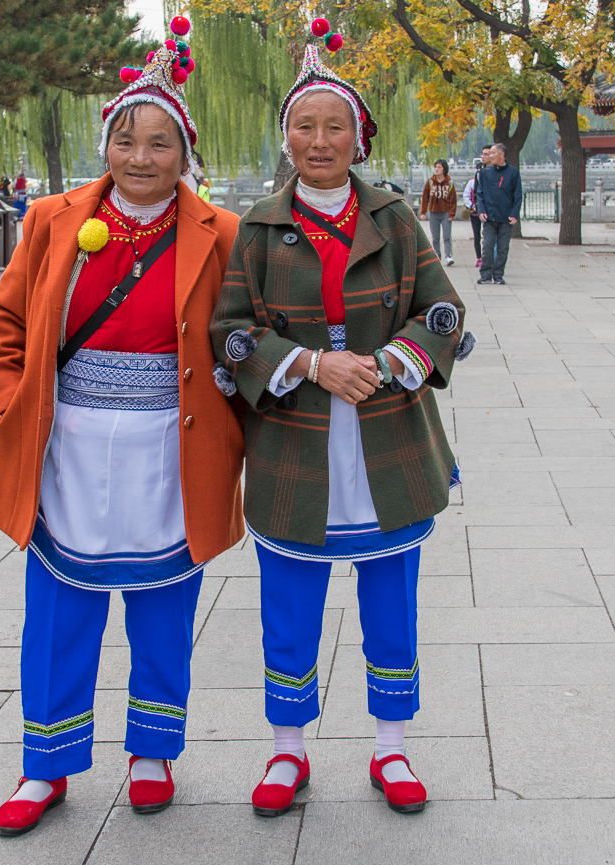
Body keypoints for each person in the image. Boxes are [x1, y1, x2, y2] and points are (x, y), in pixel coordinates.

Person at [0, 17, 244, 838]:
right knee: (58, 606)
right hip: (66, 440)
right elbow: (5, 322)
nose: (140, 157)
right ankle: (46, 762)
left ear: (185, 154)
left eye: (160, 144)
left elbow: (242, 335)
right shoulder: (52, 219)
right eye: (126, 139)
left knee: (165, 601)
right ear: (107, 144)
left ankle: (153, 750)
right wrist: (8, 405)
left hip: (172, 438)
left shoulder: (222, 232)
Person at [210, 34, 472, 819]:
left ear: (359, 136)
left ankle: (391, 745)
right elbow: (229, 332)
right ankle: (287, 751)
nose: (319, 142)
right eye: (304, 128)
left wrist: (391, 358)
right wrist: (310, 365)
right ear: (286, 138)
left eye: (335, 128)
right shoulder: (255, 228)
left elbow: (444, 311)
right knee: (288, 605)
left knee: (392, 600)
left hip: (388, 435)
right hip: (296, 442)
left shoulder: (395, 217)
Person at [476, 142, 521, 285]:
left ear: (502, 154)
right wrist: (481, 210)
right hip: (489, 217)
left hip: (505, 217)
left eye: (493, 153)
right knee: (487, 246)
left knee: (503, 248)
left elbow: (518, 195)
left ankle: (498, 275)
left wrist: (514, 214)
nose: (490, 156)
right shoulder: (485, 173)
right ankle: (485, 275)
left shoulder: (513, 172)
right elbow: (480, 194)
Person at [420, 159, 457, 266]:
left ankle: (448, 256)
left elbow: (453, 199)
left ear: (444, 169)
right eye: (436, 167)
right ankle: (437, 255)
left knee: (446, 236)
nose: (437, 169)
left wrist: (452, 213)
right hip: (433, 212)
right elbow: (425, 198)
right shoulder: (430, 182)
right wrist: (423, 212)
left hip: (446, 212)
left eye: (439, 167)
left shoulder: (449, 182)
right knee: (435, 237)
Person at [462, 146, 491, 269]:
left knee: (488, 235)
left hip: (487, 212)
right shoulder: (472, 182)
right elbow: (466, 196)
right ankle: (479, 257)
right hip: (475, 212)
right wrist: (472, 206)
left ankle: (487, 257)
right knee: (477, 236)